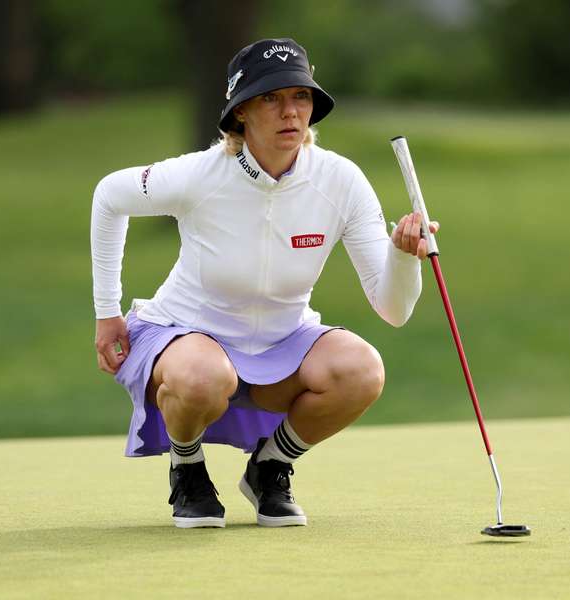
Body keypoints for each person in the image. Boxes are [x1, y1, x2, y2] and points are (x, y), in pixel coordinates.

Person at [90, 38, 439, 529]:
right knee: (203, 376)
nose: (290, 112)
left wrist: (404, 257)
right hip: (183, 335)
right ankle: (187, 467)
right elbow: (109, 196)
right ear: (241, 114)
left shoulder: (341, 180)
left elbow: (393, 309)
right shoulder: (199, 174)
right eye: (270, 98)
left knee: (362, 369)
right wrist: (108, 311)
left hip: (281, 342)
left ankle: (270, 466)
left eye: (300, 97)